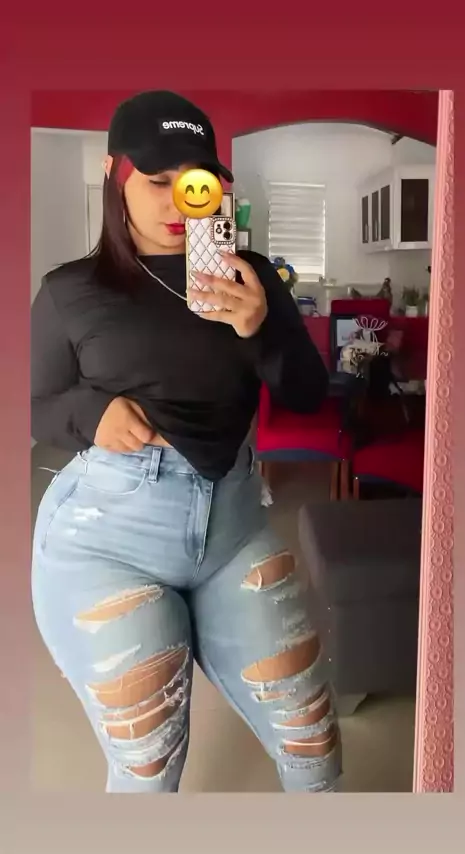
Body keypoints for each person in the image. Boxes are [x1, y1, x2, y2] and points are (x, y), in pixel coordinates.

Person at [31, 90, 341, 793]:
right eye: (157, 180)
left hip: (234, 527)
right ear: (115, 174)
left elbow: (306, 394)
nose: (179, 202)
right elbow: (32, 402)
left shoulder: (252, 278)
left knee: (314, 743)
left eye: (194, 181)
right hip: (109, 537)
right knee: (149, 768)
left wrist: (259, 330)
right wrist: (91, 413)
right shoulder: (70, 291)